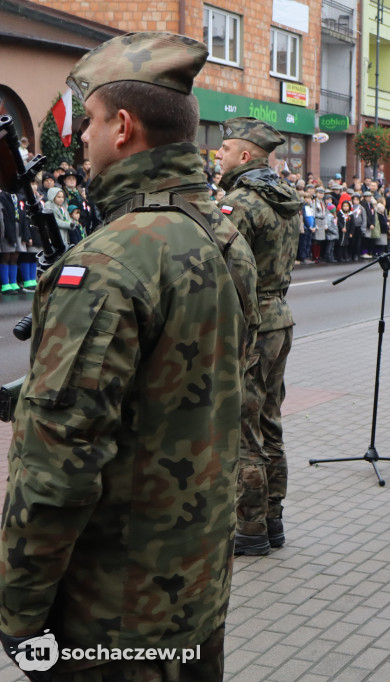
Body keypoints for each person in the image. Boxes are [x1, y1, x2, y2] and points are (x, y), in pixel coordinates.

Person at [0, 31, 258, 679]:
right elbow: (174, 387)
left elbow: (60, 465)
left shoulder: (109, 262)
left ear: (123, 127)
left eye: (86, 122)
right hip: (195, 587)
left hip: (114, 612)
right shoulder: (221, 235)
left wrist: (19, 612)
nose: (79, 139)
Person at [216, 116, 303, 555]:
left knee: (244, 429)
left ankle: (248, 527)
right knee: (269, 422)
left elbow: (222, 268)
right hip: (280, 317)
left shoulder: (239, 203)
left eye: (225, 148)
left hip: (251, 322)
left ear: (245, 156)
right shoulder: (288, 198)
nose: (218, 154)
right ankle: (273, 519)